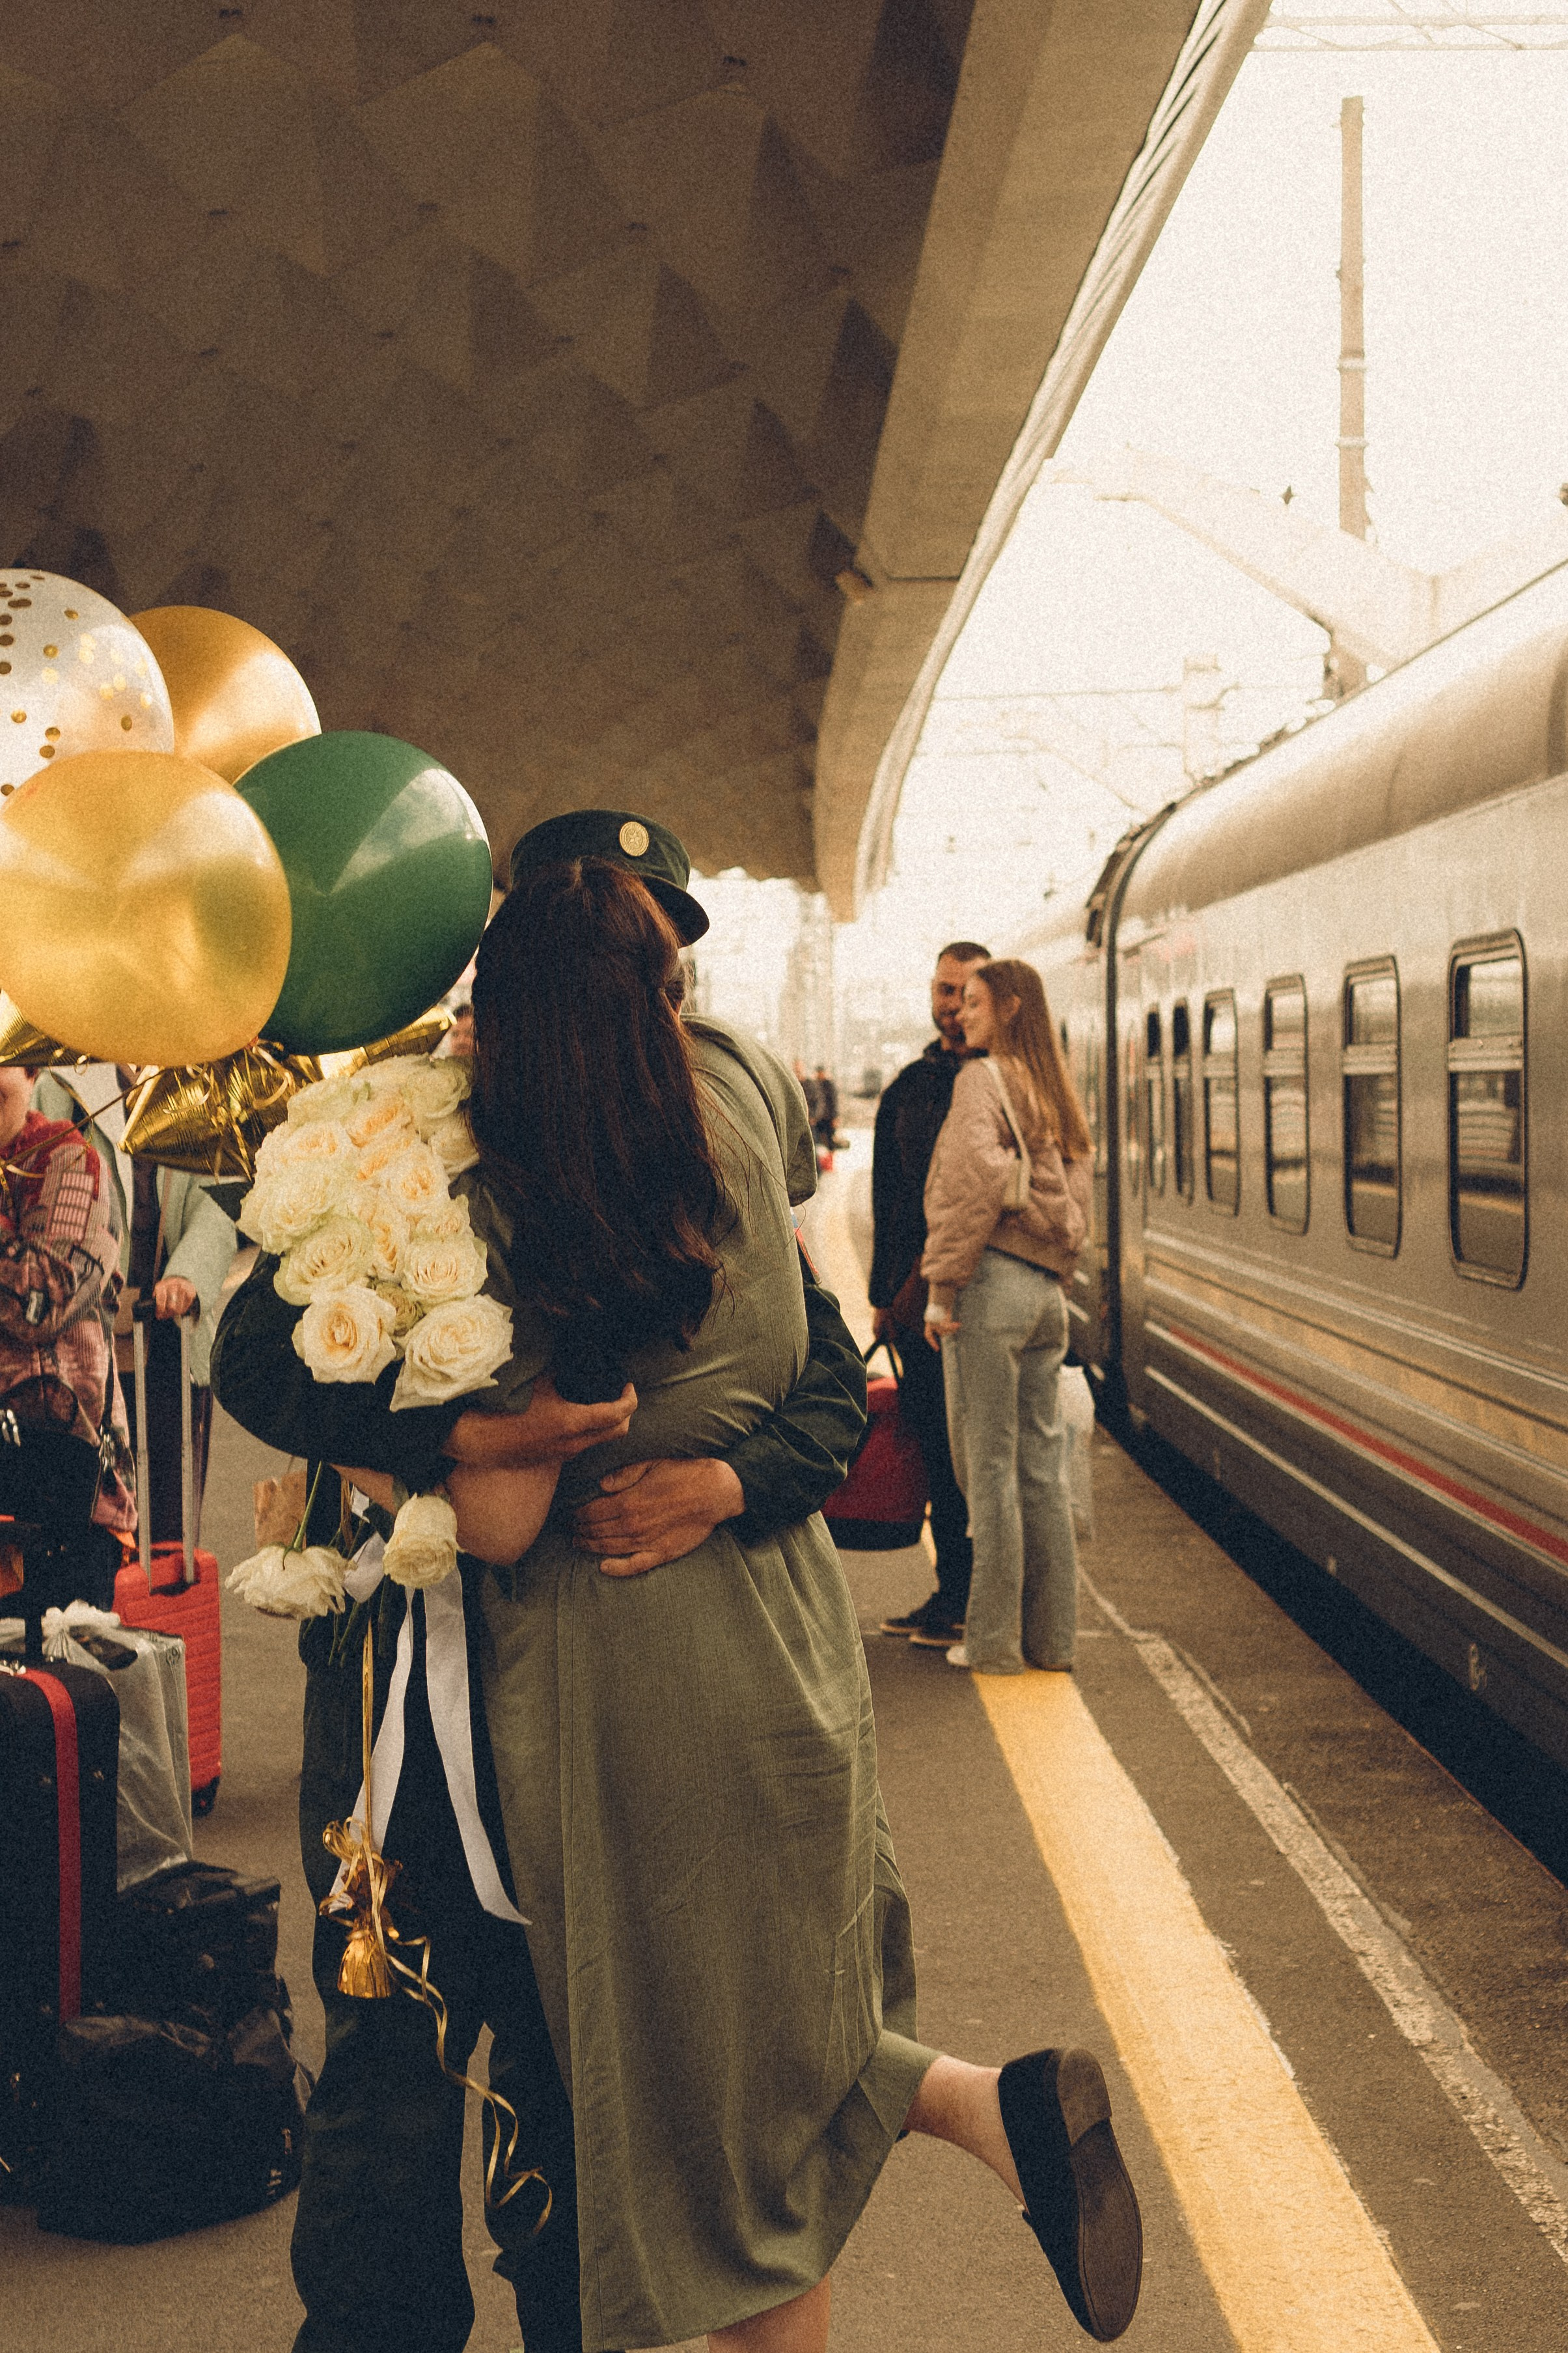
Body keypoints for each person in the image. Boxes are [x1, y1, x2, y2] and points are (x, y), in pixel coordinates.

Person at [216, 816, 1142, 2353]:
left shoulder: (492, 1221)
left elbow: (499, 1526)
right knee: (780, 2040)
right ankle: (994, 2109)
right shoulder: (738, 1105)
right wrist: (723, 1475)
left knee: (677, 2129)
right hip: (790, 1662)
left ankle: (990, 2112)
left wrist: (434, 1450)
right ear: (667, 995)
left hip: (620, 1697)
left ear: (498, 1019)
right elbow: (838, 1390)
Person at [920, 960, 1093, 1677]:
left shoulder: (982, 1079)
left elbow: (968, 1186)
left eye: (976, 1000)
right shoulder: (1053, 1088)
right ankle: (1053, 1640)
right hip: (1047, 1296)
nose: (961, 1011)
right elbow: (1076, 1200)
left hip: (990, 1290)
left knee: (986, 1469)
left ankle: (992, 1642)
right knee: (1041, 1469)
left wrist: (941, 1288)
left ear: (1011, 1006)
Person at [866, 940, 991, 1648]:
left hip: (972, 1301)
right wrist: (885, 1294)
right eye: (944, 989)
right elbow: (890, 1199)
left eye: (965, 993)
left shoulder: (1000, 1082)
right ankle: (954, 1590)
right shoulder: (908, 1088)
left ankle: (981, 1591)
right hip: (916, 1310)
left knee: (980, 1455)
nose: (951, 1005)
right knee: (938, 1448)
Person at [0, 1065, 135, 1612]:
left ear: (32, 1072)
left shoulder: (68, 1160)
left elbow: (39, 1302)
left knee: (50, 1681)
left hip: (59, 1480)